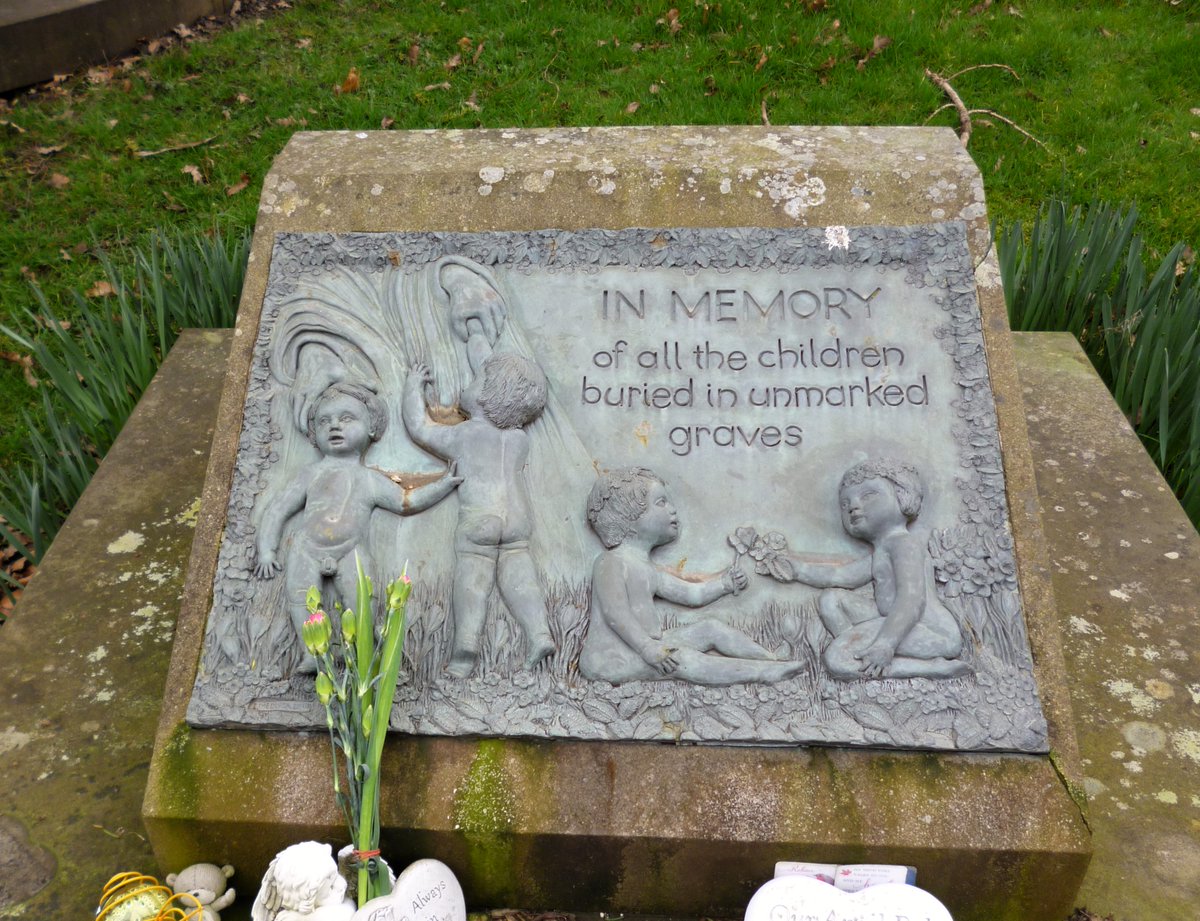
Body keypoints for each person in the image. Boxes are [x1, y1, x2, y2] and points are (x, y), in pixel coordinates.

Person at [253, 381, 461, 674]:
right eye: (324, 421)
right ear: (313, 433)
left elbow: (406, 501)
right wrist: (266, 550)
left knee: (362, 597)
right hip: (307, 548)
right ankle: (312, 652)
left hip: (350, 550)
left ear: (372, 427)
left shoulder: (370, 479)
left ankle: (362, 649)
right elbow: (278, 509)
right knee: (300, 597)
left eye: (347, 418)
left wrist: (444, 485)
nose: (334, 426)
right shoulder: (310, 474)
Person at [402, 345, 556, 678]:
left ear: (488, 395)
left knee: (473, 583)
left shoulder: (464, 435)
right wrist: (479, 343)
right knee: (521, 579)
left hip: (480, 522)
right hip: (517, 522)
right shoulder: (518, 440)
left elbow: (419, 428)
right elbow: (500, 385)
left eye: (477, 379)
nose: (468, 384)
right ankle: (539, 632)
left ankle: (465, 647)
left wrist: (413, 387)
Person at [580, 467, 805, 685]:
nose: (672, 509)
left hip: (644, 647)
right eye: (661, 502)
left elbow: (691, 594)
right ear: (628, 516)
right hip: (611, 659)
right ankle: (764, 673)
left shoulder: (649, 569)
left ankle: (770, 658)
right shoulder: (610, 562)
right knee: (683, 659)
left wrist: (725, 584)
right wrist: (647, 648)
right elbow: (616, 614)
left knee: (710, 628)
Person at [783, 459, 969, 680]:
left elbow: (911, 600)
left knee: (836, 658)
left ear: (902, 497)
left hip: (930, 631)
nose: (853, 507)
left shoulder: (905, 544)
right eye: (845, 504)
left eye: (868, 495)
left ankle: (932, 668)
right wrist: (796, 570)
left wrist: (885, 644)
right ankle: (863, 656)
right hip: (894, 621)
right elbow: (840, 575)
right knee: (831, 599)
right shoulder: (882, 550)